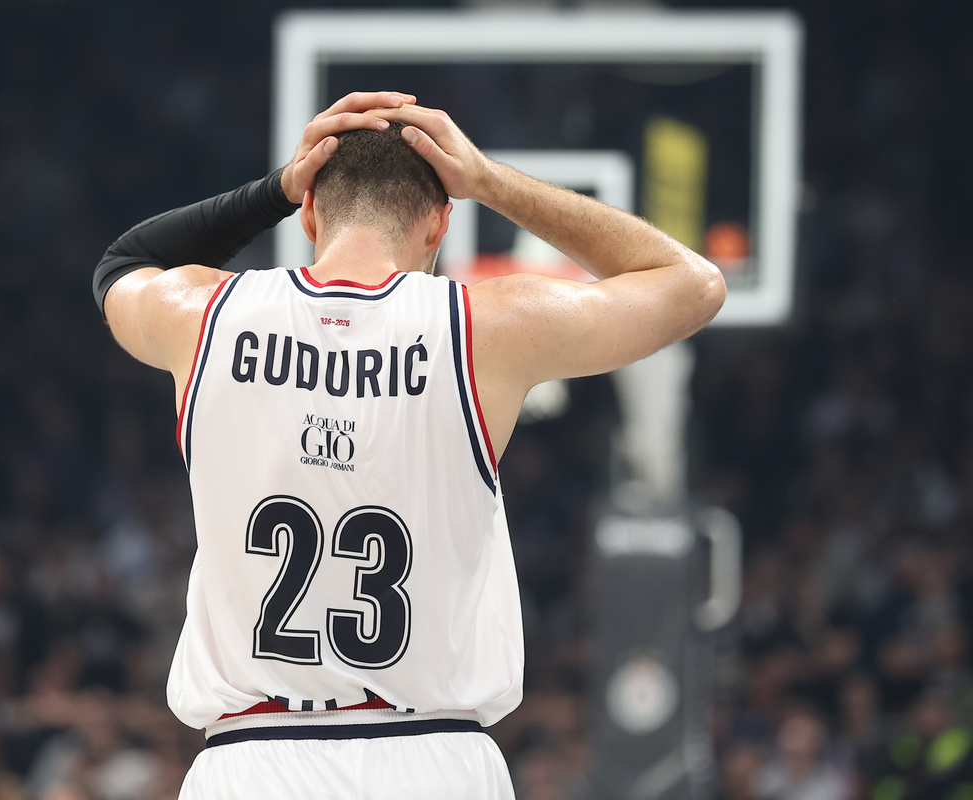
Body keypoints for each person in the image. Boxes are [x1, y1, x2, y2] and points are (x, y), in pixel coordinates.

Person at [91, 91, 725, 799]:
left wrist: (274, 186)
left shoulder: (205, 316)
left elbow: (123, 263)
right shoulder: (481, 326)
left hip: (252, 760)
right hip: (433, 759)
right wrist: (489, 179)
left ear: (308, 214)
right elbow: (693, 285)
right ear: (440, 224)